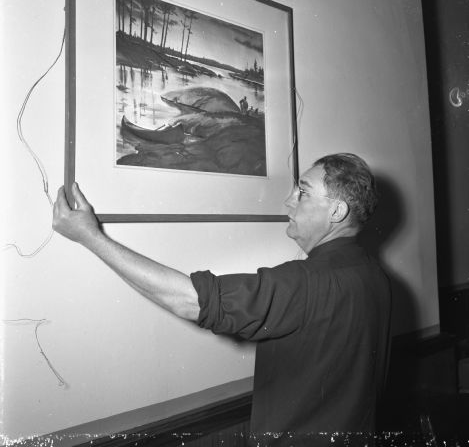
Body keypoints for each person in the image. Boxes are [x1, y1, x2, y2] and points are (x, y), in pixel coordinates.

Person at [52, 153, 391, 444]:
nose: (289, 201)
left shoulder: (307, 281)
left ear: (336, 212)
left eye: (302, 192)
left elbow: (191, 300)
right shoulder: (372, 273)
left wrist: (90, 236)